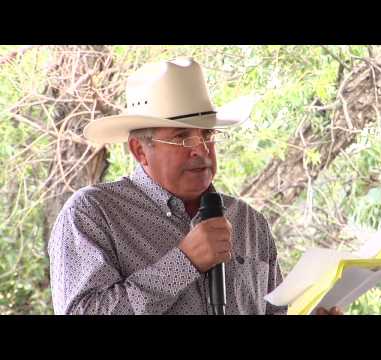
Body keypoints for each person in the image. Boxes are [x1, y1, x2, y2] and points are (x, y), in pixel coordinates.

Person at [48, 57, 342, 315]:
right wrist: (184, 262)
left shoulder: (249, 221)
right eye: (181, 137)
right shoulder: (93, 213)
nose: (201, 149)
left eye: (208, 135)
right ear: (139, 150)